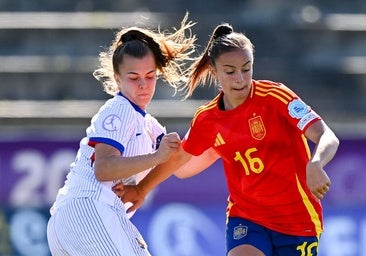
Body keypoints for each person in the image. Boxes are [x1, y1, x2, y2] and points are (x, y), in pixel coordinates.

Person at [114, 23, 340, 255]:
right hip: (247, 217)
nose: (240, 79)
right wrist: (141, 189)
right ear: (214, 72)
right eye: (230, 72)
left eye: (247, 69)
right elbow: (181, 165)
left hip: (297, 221)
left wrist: (316, 162)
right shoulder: (207, 119)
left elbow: (326, 136)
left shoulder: (276, 97)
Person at [46, 13, 196, 256]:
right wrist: (157, 157)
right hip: (89, 210)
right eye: (134, 78)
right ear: (117, 79)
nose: (143, 85)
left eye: (150, 77)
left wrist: (142, 189)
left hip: (75, 220)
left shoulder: (149, 125)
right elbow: (103, 168)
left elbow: (179, 160)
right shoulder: (119, 108)